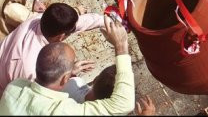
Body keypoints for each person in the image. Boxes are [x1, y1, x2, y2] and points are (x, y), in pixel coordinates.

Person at [0, 16, 135, 115]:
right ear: (65, 78)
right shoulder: (61, 111)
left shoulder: (14, 87)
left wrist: (70, 72)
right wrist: (121, 45)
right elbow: (123, 104)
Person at [0, 2, 103, 96]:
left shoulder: (39, 19)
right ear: (61, 37)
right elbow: (40, 96)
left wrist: (107, 21)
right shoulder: (31, 67)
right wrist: (70, 73)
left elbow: (81, 22)